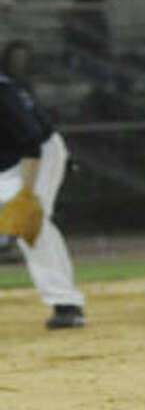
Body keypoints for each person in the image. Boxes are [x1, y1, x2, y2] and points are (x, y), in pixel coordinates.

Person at [0, 61, 87, 329]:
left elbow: (32, 143)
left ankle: (66, 303)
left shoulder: (2, 95)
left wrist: (25, 196)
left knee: (31, 224)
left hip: (37, 157)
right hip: (6, 162)